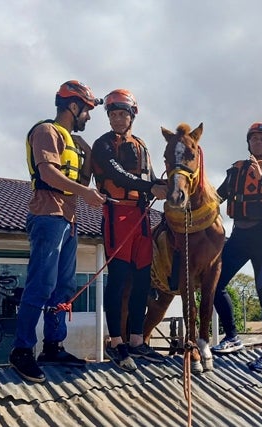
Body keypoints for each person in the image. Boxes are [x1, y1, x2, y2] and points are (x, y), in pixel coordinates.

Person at [10, 80, 106, 383]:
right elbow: (49, 173)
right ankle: (21, 350)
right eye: (87, 110)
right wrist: (85, 193)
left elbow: (98, 172)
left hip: (69, 221)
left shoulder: (77, 144)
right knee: (41, 283)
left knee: (63, 287)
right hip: (47, 216)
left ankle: (53, 345)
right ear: (73, 106)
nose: (88, 117)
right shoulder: (46, 132)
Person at [91, 89, 167, 372]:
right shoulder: (103, 145)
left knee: (142, 280)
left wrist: (169, 184)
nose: (118, 119)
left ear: (132, 116)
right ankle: (116, 342)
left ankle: (137, 340)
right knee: (119, 279)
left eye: (123, 114)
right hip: (117, 214)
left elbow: (150, 178)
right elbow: (115, 174)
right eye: (113, 114)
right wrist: (150, 187)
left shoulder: (142, 145)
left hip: (142, 216)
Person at [211, 122, 262, 372]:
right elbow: (217, 196)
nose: (258, 143)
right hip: (239, 236)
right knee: (215, 284)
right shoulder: (236, 170)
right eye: (254, 139)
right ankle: (233, 337)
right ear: (249, 142)